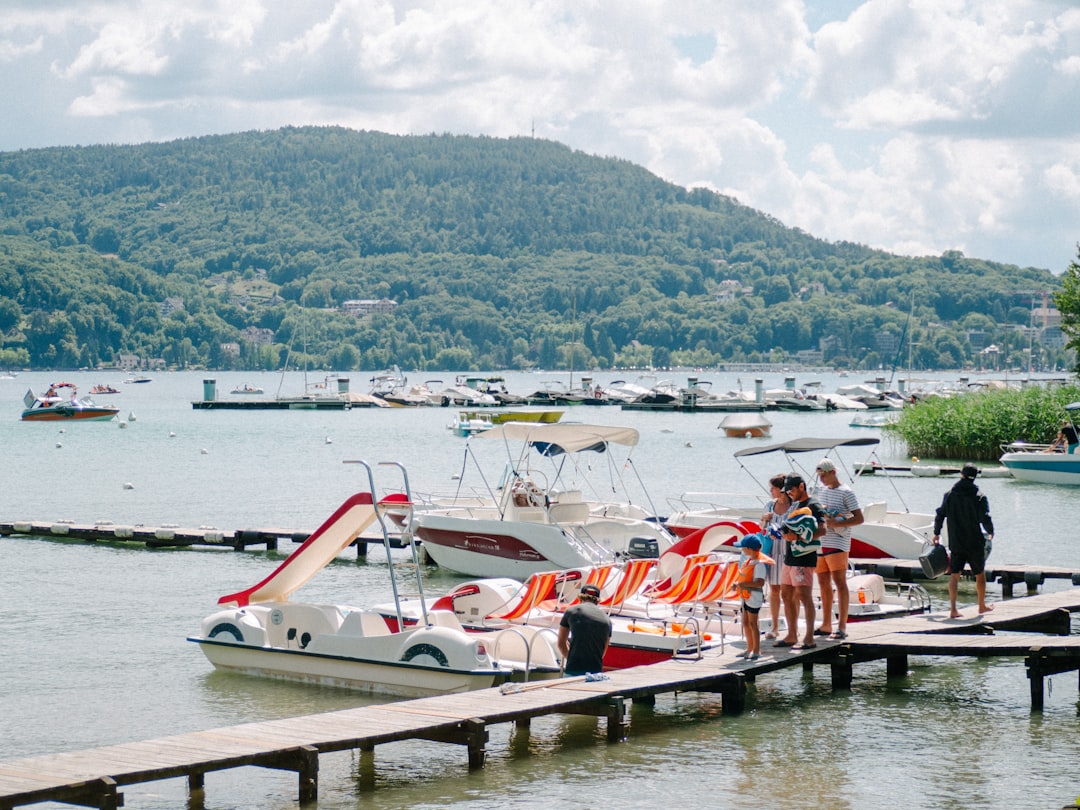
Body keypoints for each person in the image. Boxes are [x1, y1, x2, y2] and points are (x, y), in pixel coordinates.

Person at [932, 464, 995, 618]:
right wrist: (990, 530)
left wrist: (936, 533)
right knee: (980, 574)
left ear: (961, 475)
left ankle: (953, 609)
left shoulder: (950, 494)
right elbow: (984, 517)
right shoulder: (979, 496)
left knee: (955, 575)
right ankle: (981, 606)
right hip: (974, 541)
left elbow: (940, 514)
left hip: (957, 541)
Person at [812, 458, 864, 641]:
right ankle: (826, 624)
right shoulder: (821, 491)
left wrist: (837, 522)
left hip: (838, 542)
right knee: (823, 583)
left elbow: (859, 518)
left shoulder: (847, 492)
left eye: (824, 475)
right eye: (820, 476)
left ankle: (842, 626)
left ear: (833, 472)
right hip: (822, 541)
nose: (822, 480)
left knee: (839, 582)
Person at [773, 475, 824, 651]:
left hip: (804, 558)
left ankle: (809, 638)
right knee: (786, 594)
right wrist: (781, 533)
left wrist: (799, 537)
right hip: (790, 557)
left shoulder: (813, 505)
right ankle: (792, 634)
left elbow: (822, 529)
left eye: (792, 490)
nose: (789, 493)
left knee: (804, 596)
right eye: (787, 491)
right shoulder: (795, 505)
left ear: (801, 486)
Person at [759, 473, 790, 639]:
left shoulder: (794, 506)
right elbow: (761, 527)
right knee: (774, 589)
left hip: (788, 552)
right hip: (772, 552)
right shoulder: (770, 505)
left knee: (789, 591)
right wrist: (764, 519)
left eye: (773, 488)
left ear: (781, 489)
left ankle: (792, 628)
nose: (770, 491)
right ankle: (775, 626)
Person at [557, 583, 612, 676]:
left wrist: (571, 659)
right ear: (597, 601)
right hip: (595, 673)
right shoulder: (607, 620)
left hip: (573, 670)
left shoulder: (571, 611)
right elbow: (602, 652)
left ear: (580, 598)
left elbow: (561, 643)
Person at [733, 533, 772, 660]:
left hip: (754, 597)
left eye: (743, 548)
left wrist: (743, 584)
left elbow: (760, 582)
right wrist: (738, 585)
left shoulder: (759, 564)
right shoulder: (748, 562)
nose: (742, 550)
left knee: (753, 623)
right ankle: (749, 648)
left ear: (749, 549)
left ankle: (756, 650)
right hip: (745, 596)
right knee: (745, 622)